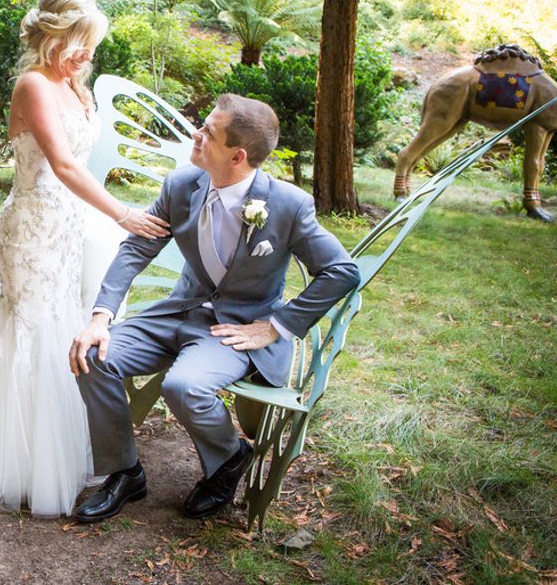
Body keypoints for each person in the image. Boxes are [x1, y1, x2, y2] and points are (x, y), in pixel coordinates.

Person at [69, 94, 361, 522]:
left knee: (184, 387)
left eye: (208, 131)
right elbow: (136, 249)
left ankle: (229, 457)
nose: (196, 134)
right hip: (179, 312)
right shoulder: (181, 185)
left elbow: (342, 272)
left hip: (235, 328)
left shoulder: (287, 205)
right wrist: (101, 317)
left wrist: (276, 326)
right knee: (92, 355)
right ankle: (124, 472)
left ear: (237, 156)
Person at [0, 0, 170, 518]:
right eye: (79, 42)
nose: (86, 54)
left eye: (92, 44)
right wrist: (122, 214)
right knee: (37, 330)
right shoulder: (33, 84)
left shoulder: (77, 84)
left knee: (70, 329)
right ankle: (32, 465)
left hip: (71, 226)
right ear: (51, 35)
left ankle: (74, 451)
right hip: (33, 229)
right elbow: (64, 165)